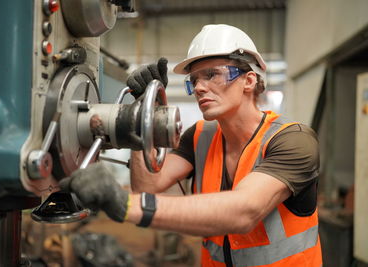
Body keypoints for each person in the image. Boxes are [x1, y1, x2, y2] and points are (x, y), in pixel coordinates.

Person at [60, 24, 322, 266]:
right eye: (194, 80)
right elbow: (147, 185)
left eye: (211, 75)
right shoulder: (199, 136)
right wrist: (142, 117)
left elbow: (245, 211)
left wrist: (125, 204)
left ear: (249, 80)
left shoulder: (293, 141)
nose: (199, 87)